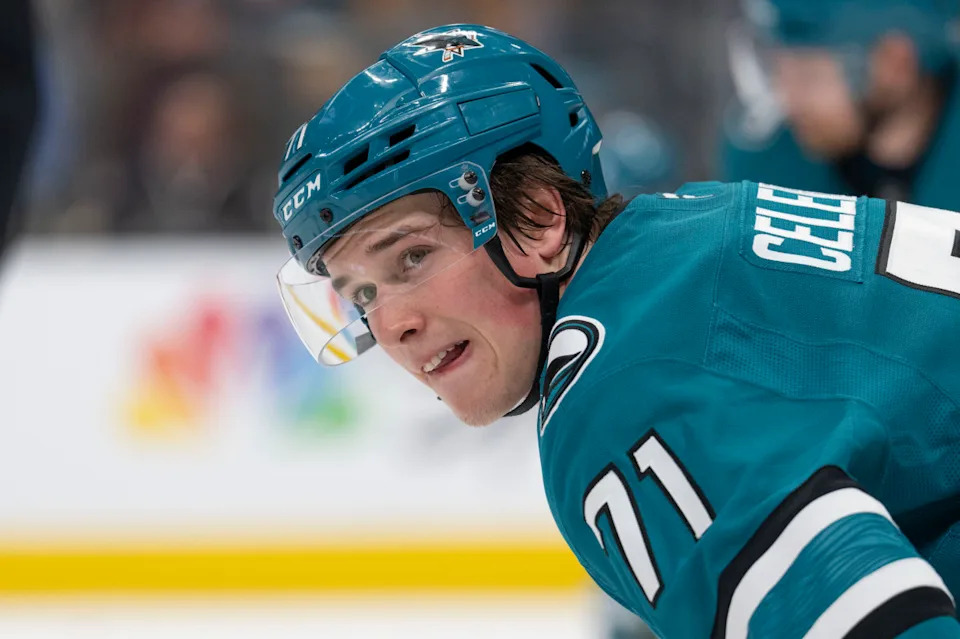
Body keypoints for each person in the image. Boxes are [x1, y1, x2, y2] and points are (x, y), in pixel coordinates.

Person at [272, 24, 960, 638]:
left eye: (412, 257)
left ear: (540, 219)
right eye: (360, 292)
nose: (391, 324)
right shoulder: (681, 232)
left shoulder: (613, 386)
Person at [721, 0, 960, 207]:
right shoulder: (768, 168)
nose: (787, 99)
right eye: (777, 70)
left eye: (810, 76)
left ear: (896, 63)